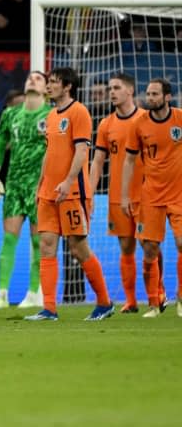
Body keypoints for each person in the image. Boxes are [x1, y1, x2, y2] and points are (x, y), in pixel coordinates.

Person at [25, 67, 114, 321]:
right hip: (48, 193)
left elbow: (81, 152)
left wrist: (67, 181)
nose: (49, 86)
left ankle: (105, 303)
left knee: (78, 247)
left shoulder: (79, 112)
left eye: (53, 82)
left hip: (73, 192)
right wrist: (40, 184)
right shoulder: (51, 116)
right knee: (46, 245)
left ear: (67, 87)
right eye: (49, 82)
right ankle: (49, 309)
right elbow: (49, 153)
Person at [89, 74, 165, 314]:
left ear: (130, 90)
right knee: (126, 246)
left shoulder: (146, 119)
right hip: (117, 195)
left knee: (149, 245)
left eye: (117, 88)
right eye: (110, 88)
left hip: (146, 194)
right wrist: (89, 192)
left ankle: (158, 291)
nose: (112, 92)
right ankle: (131, 301)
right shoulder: (105, 124)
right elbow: (98, 160)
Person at [0, 72, 51, 309]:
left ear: (46, 89)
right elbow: (0, 146)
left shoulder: (51, 115)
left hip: (40, 187)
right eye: (29, 78)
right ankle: (2, 294)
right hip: (14, 185)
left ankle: (34, 292)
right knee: (9, 238)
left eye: (38, 78)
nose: (32, 80)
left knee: (38, 242)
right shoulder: (10, 114)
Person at [122, 78, 182, 318]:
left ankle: (181, 299)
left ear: (167, 97)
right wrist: (125, 195)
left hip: (179, 194)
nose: (150, 97)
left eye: (155, 94)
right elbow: (128, 160)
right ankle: (154, 304)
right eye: (148, 93)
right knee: (149, 249)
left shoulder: (179, 118)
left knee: (181, 243)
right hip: (150, 196)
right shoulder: (139, 124)